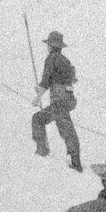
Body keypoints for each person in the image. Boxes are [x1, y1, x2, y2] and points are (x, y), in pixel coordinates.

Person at [32, 31, 82, 172]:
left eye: (48, 45)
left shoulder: (51, 59)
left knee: (37, 119)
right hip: (67, 101)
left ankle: (42, 152)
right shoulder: (65, 61)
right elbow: (70, 79)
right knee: (66, 129)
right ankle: (76, 163)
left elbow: (46, 80)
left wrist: (37, 96)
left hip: (59, 102)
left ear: (51, 46)